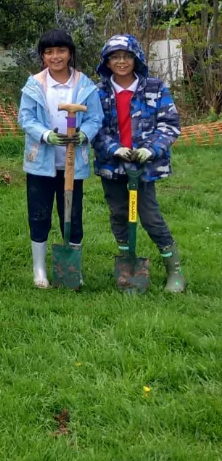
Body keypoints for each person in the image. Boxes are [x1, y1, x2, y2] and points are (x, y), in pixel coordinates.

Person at [91, 34, 186, 292]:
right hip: (112, 166)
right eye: (115, 57)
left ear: (136, 59)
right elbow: (93, 128)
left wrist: (150, 149)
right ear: (107, 62)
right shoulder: (98, 92)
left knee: (151, 216)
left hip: (144, 168)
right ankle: (127, 261)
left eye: (127, 56)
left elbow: (170, 124)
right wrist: (114, 148)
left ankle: (174, 271)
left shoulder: (154, 88)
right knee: (119, 214)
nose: (121, 61)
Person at [16, 29, 104, 288]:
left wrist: (83, 135)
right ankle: (39, 270)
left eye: (61, 51)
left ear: (70, 53)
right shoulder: (34, 85)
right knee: (39, 214)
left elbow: (95, 118)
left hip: (71, 164)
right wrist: (45, 135)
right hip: (40, 163)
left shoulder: (84, 85)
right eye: (49, 52)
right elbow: (26, 118)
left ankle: (71, 267)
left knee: (72, 214)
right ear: (43, 56)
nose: (55, 57)